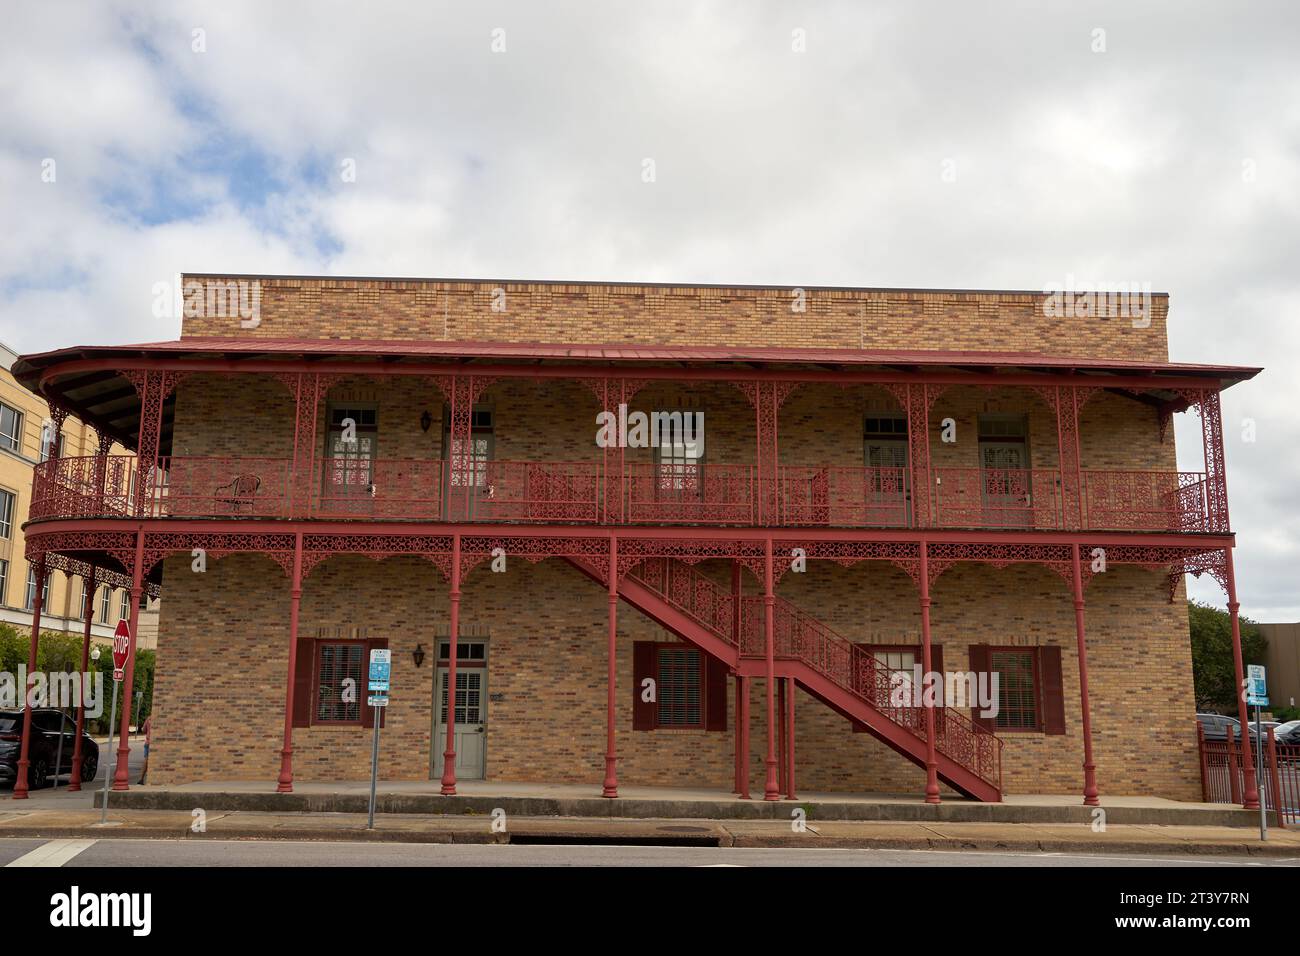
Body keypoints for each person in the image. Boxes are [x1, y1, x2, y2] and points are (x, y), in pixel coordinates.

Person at [138, 713, 152, 785]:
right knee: (148, 761)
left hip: (147, 742)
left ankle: (141, 778)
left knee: (146, 760)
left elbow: (143, 729)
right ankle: (143, 779)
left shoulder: (149, 718)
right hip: (152, 743)